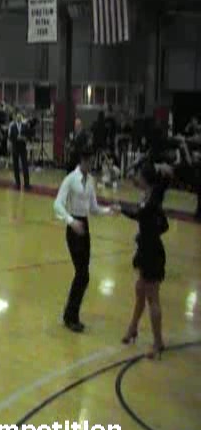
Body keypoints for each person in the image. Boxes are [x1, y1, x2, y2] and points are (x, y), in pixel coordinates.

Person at [53, 150, 115, 332]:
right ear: (82, 160)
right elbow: (57, 204)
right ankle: (70, 316)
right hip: (74, 227)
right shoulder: (71, 179)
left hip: (84, 227)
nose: (91, 165)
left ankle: (71, 314)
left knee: (84, 275)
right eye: (89, 161)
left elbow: (93, 208)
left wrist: (108, 210)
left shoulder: (90, 181)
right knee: (82, 274)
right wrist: (71, 221)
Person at [118, 163, 170, 359]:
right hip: (145, 249)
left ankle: (158, 342)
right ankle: (133, 328)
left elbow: (139, 214)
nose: (136, 179)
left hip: (152, 253)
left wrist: (121, 208)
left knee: (152, 297)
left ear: (145, 179)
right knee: (140, 290)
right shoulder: (148, 195)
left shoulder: (152, 199)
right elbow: (160, 224)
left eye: (139, 176)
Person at [9, 112, 31, 190]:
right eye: (17, 117)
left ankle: (27, 184)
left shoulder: (25, 126)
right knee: (16, 166)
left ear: (21, 118)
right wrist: (16, 138)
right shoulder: (12, 127)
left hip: (23, 148)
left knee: (25, 166)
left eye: (19, 117)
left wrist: (25, 138)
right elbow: (10, 137)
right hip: (15, 148)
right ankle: (17, 183)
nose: (18, 118)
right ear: (15, 118)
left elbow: (29, 135)